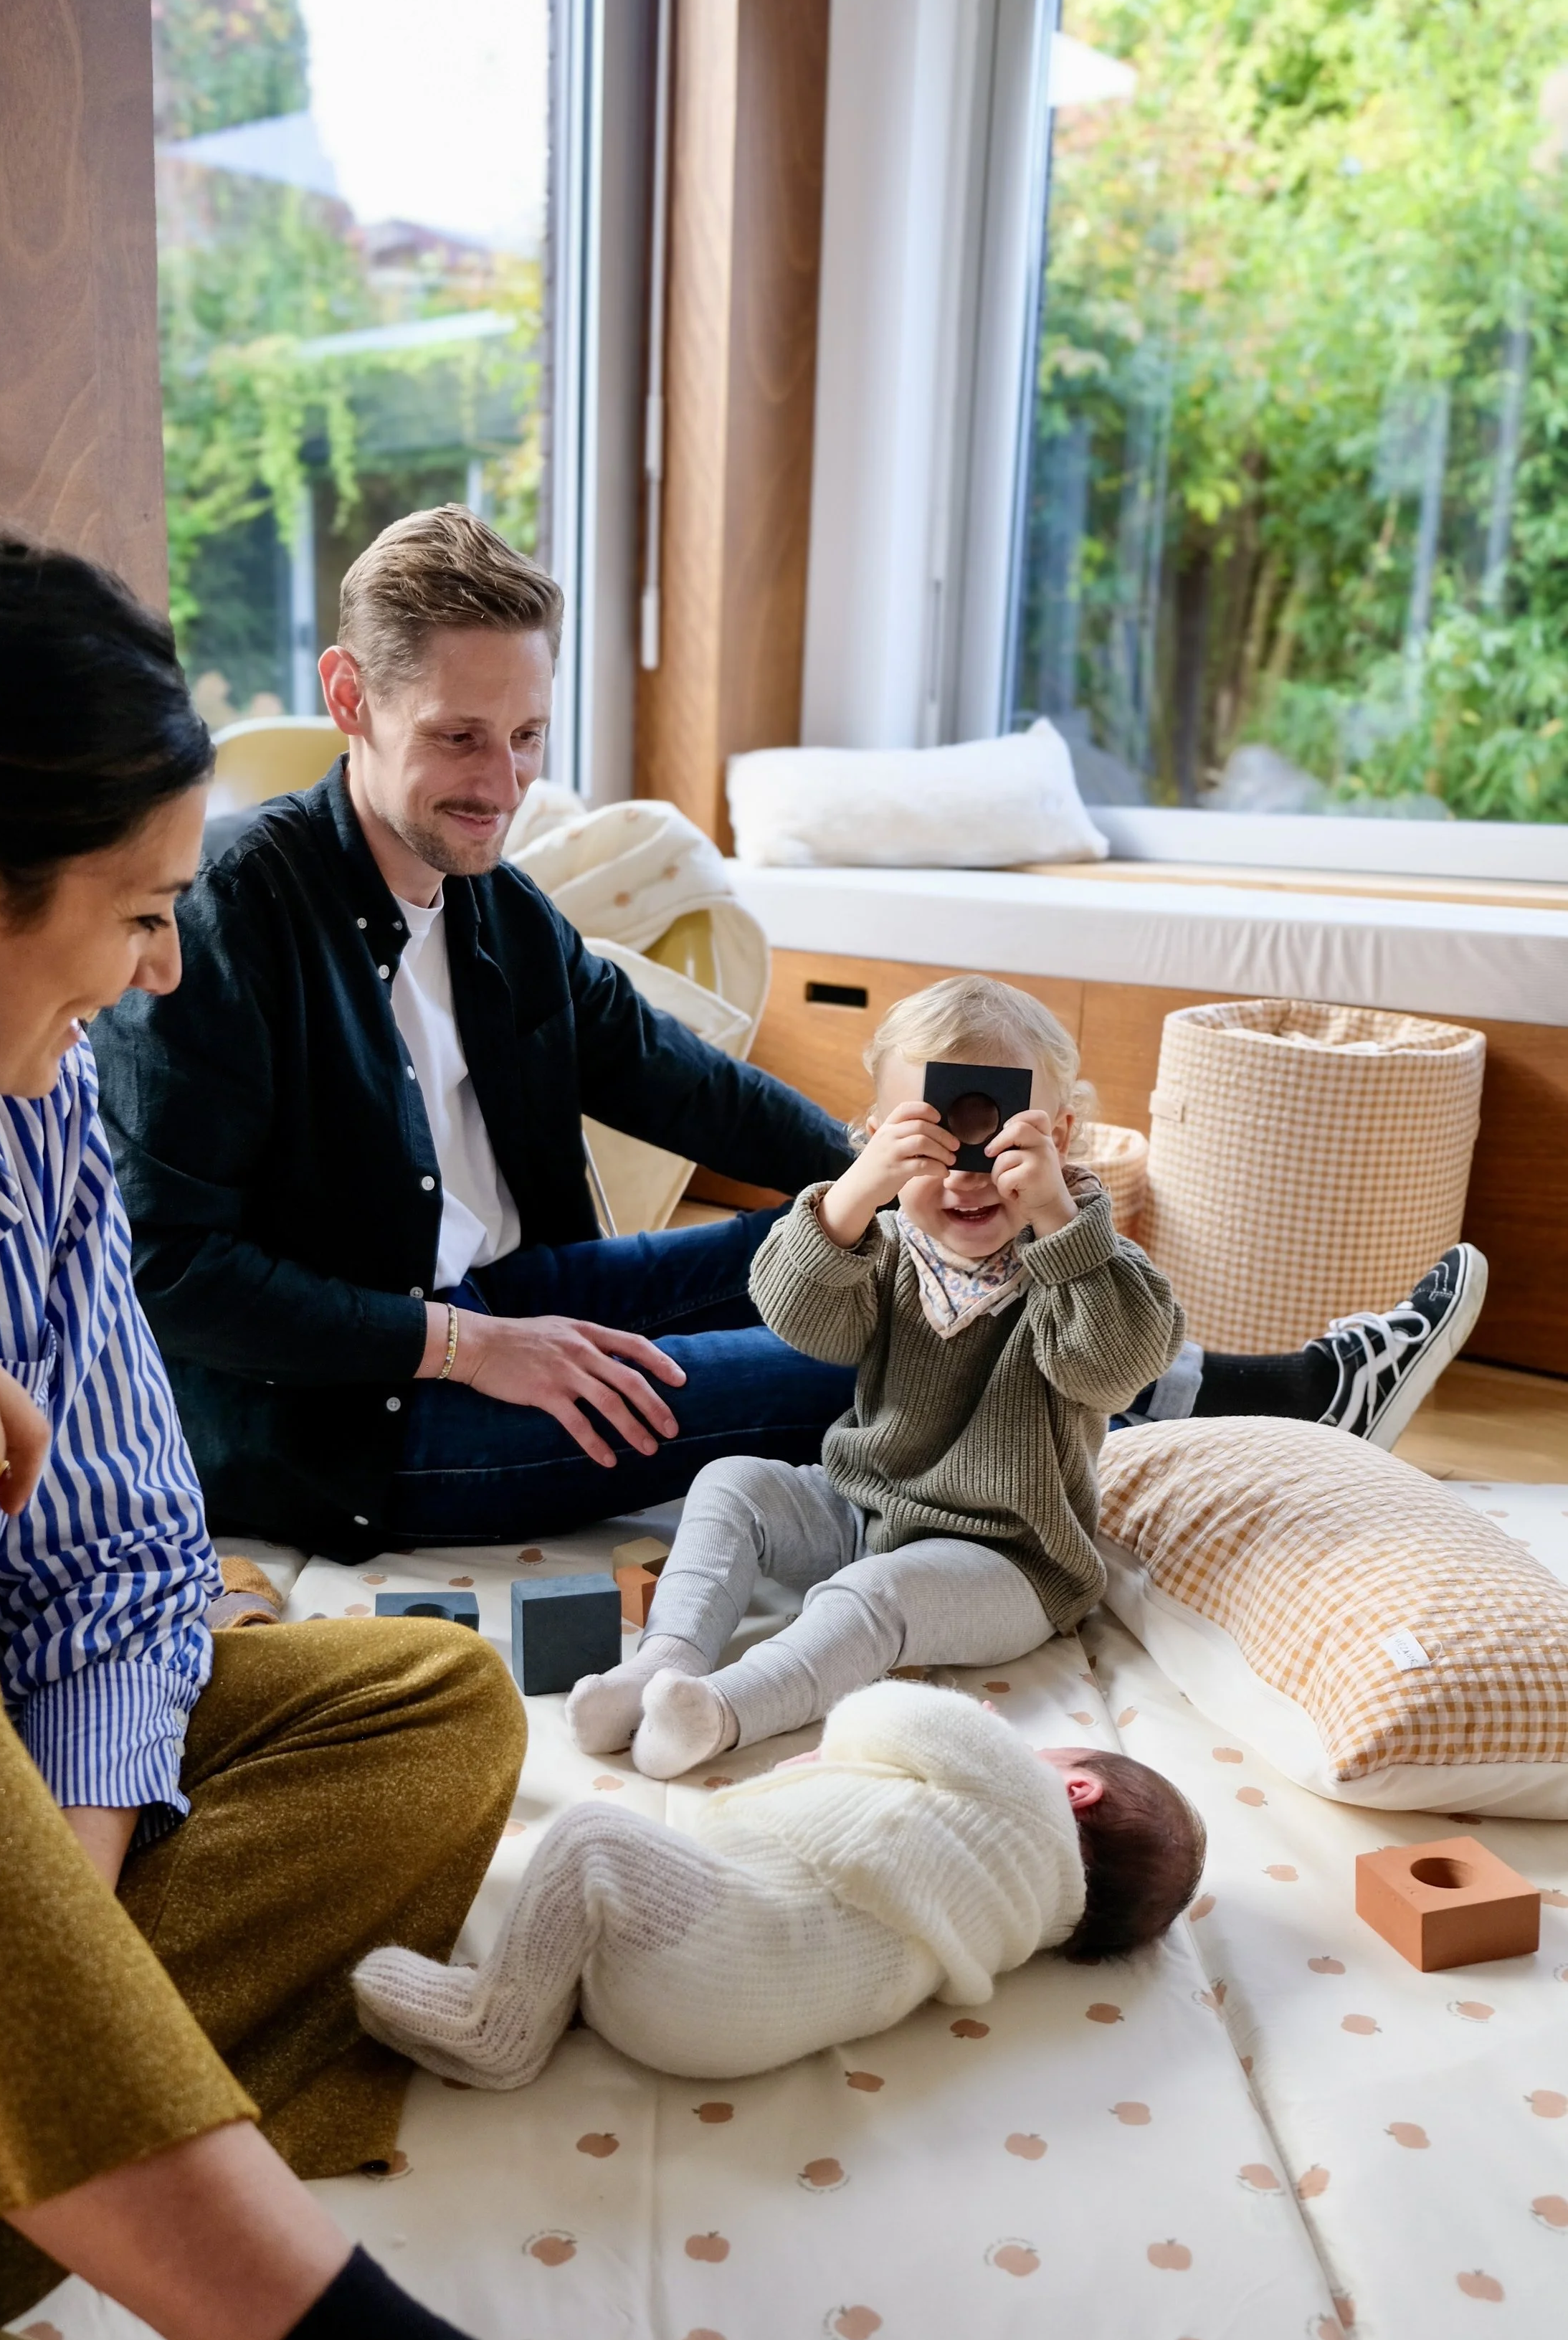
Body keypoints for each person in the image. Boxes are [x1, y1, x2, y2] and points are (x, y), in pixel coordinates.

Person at [0, 516, 776, 2340]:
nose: (154, 968)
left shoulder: (29, 1112)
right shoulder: (247, 938)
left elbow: (132, 1565)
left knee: (422, 1706)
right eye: (132, 914)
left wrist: (41, 1886)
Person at [93, 504, 1486, 1561]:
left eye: (526, 736)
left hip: (515, 1293)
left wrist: (884, 1177)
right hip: (346, 1419)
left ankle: (1243, 1381)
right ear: (350, 695)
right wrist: (459, 1348)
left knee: (872, 1252)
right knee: (915, 1350)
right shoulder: (222, 913)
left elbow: (670, 1079)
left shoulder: (492, 906)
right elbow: (172, 1270)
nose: (503, 783)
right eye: (462, 738)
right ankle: (1283, 1400)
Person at [567, 975, 1182, 1779]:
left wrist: (1058, 1221)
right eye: (929, 1141)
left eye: (1000, 1142)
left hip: (1007, 1561)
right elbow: (798, 1317)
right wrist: (854, 1194)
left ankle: (723, 1711)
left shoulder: (1088, 1265)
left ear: (1059, 1137)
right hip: (863, 1508)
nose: (967, 1173)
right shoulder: (884, 1247)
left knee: (872, 1598)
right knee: (728, 1482)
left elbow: (1110, 1370)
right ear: (879, 1138)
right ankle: (663, 1663)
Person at [353, 1678, 1206, 2090]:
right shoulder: (1026, 1917)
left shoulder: (1025, 1802)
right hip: (737, 2029)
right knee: (627, 1894)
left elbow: (875, 1714)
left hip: (727, 1957)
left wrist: (967, 1723)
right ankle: (571, 1990)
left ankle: (498, 2026)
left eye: (1053, 1751)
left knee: (589, 1839)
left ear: (1076, 1789)